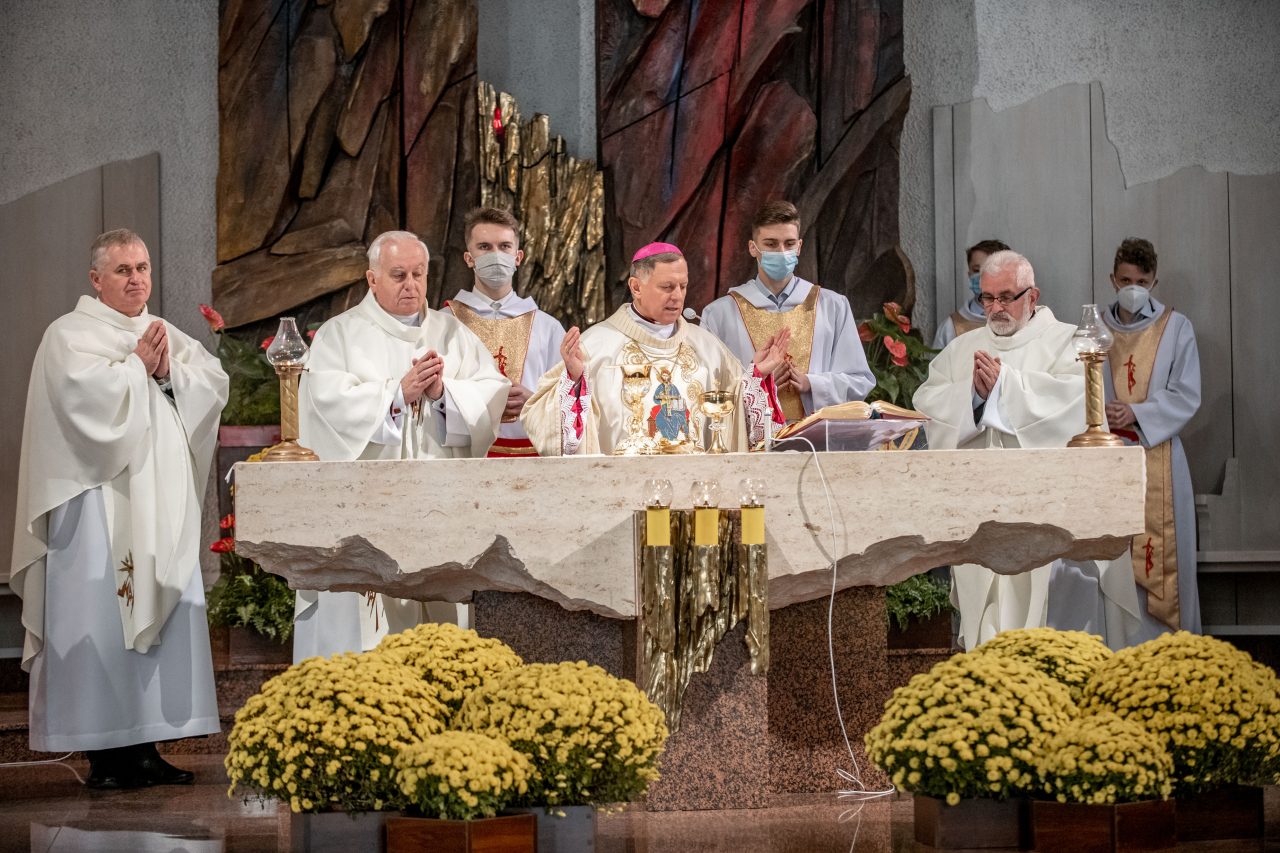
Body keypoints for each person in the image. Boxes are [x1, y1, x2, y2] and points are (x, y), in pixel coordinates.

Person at [10, 229, 229, 788]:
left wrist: (166, 372)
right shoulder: (69, 335)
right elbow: (82, 405)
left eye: (142, 267)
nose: (136, 279)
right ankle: (103, 757)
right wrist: (137, 368)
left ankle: (145, 748)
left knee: (158, 614)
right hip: (94, 510)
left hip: (158, 506)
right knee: (100, 621)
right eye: (123, 270)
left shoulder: (160, 332)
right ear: (96, 279)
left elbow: (211, 383)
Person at [294, 230, 509, 661]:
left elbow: (490, 393)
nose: (411, 285)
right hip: (364, 517)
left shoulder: (452, 333)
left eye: (418, 274)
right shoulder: (340, 336)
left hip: (439, 513)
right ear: (372, 279)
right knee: (364, 644)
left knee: (441, 640)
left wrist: (444, 396)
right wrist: (396, 396)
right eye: (398, 275)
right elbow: (324, 408)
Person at [913, 250, 1136, 648]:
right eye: (987, 298)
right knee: (987, 636)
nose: (995, 308)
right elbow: (927, 404)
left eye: (1006, 297)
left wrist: (1006, 387)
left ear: (1032, 296)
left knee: (1054, 632)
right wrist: (973, 398)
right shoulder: (962, 349)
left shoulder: (1069, 341)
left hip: (1049, 517)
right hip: (980, 515)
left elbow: (1079, 407)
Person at [520, 242, 789, 455]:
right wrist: (575, 379)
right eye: (667, 287)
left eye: (683, 286)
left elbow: (742, 427)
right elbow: (549, 431)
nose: (678, 296)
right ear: (636, 287)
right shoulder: (596, 346)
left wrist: (756, 377)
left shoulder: (708, 347)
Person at [1097, 238, 1201, 642]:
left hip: (1159, 457)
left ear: (1154, 281)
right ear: (1113, 279)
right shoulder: (1094, 330)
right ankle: (1117, 651)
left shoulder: (1176, 327)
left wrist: (1137, 412)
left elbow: (1186, 393)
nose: (1133, 288)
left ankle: (1169, 654)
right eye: (1125, 280)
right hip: (1107, 461)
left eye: (1141, 281)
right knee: (1114, 564)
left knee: (1162, 564)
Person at [701, 201, 874, 421]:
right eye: (771, 244)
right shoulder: (719, 314)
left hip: (817, 436)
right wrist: (757, 381)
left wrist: (812, 384)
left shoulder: (833, 306)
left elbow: (859, 380)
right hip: (749, 438)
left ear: (799, 247)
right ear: (753, 248)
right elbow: (706, 387)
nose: (781, 252)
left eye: (789, 243)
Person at [441, 208, 566, 457]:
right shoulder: (445, 323)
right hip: (464, 456)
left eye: (504, 246)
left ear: (518, 257)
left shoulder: (548, 327)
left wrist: (534, 401)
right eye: (484, 247)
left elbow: (571, 399)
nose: (496, 255)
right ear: (469, 258)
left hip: (534, 455)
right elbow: (433, 395)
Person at [932, 239, 1011, 349]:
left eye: (991, 270)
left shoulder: (1021, 320)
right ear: (969, 274)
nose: (982, 276)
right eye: (977, 270)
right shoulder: (951, 327)